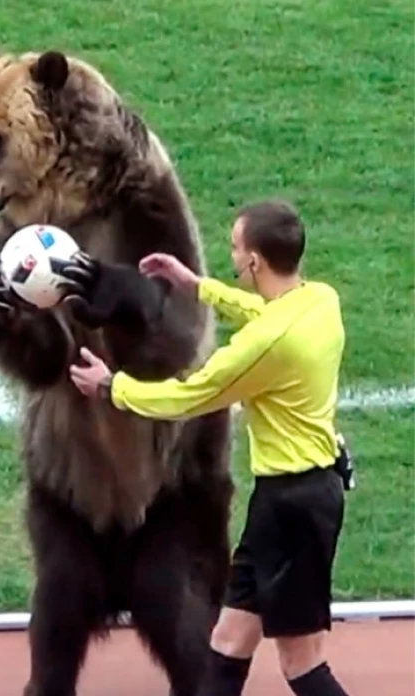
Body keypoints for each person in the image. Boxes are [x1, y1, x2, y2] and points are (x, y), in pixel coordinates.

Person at [68, 199, 352, 696]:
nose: (234, 257)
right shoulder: (320, 301)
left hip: (294, 511)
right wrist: (196, 286)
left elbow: (189, 396)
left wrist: (112, 387)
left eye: (236, 249)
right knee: (227, 642)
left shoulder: (264, 346)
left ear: (255, 262)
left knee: (301, 664)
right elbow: (264, 309)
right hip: (291, 502)